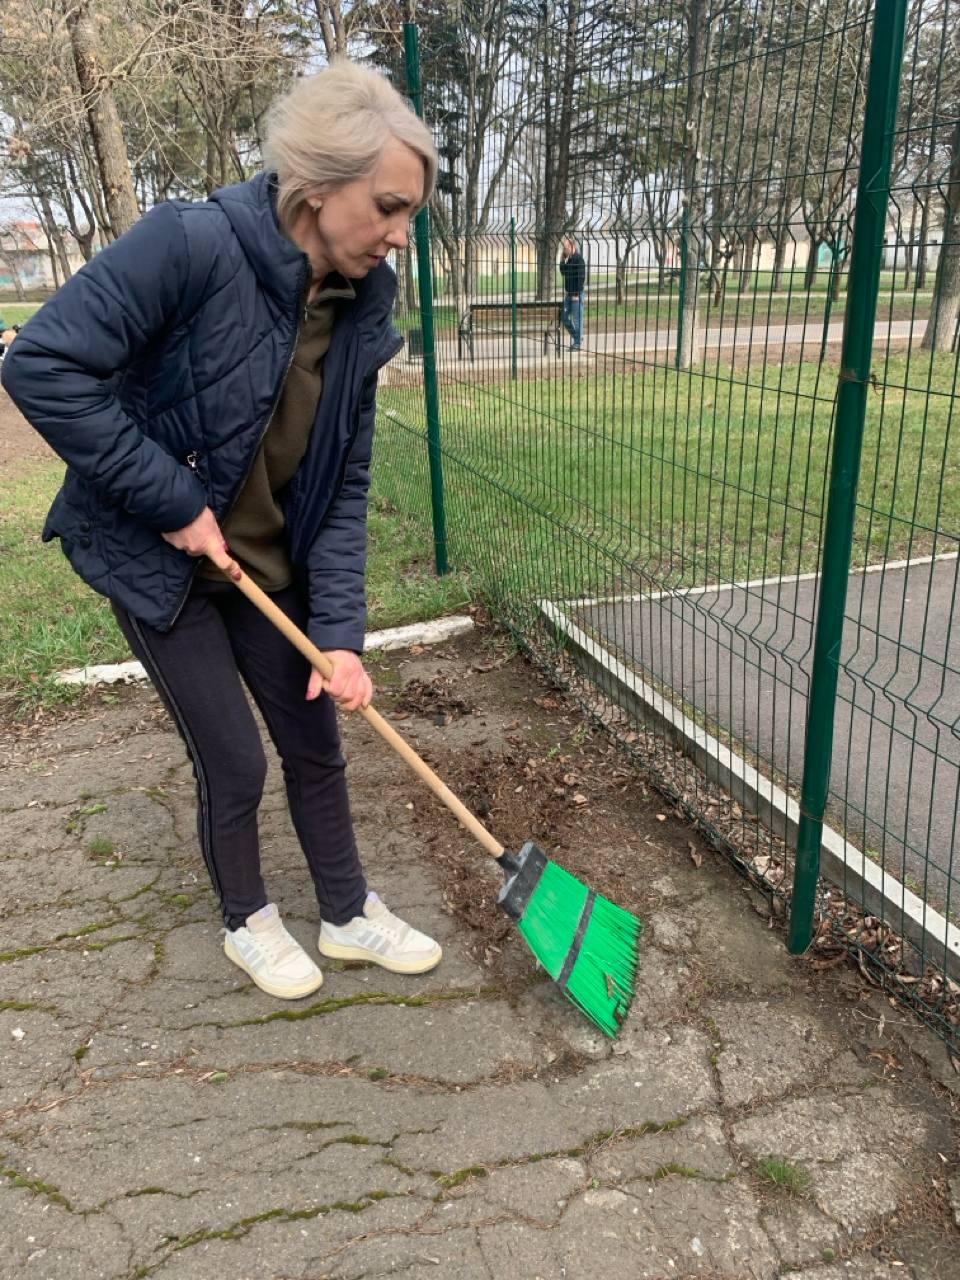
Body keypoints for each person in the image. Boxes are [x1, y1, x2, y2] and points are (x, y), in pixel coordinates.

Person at [1, 62, 444, 1001]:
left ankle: (347, 914)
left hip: (264, 561)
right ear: (319, 186)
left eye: (412, 213)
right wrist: (170, 499)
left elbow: (343, 481)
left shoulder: (363, 304)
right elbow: (42, 365)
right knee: (234, 759)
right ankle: (247, 918)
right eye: (390, 207)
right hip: (156, 556)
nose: (402, 233)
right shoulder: (189, 242)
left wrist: (339, 635)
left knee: (316, 737)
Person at [559, 236, 586, 351]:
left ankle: (577, 344)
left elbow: (581, 278)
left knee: (577, 319)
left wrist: (576, 294)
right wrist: (562, 259)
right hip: (568, 294)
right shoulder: (569, 259)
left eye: (565, 248)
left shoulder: (579, 259)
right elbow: (563, 272)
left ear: (572, 246)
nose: (564, 250)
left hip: (576, 294)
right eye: (564, 248)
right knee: (564, 317)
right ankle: (577, 337)